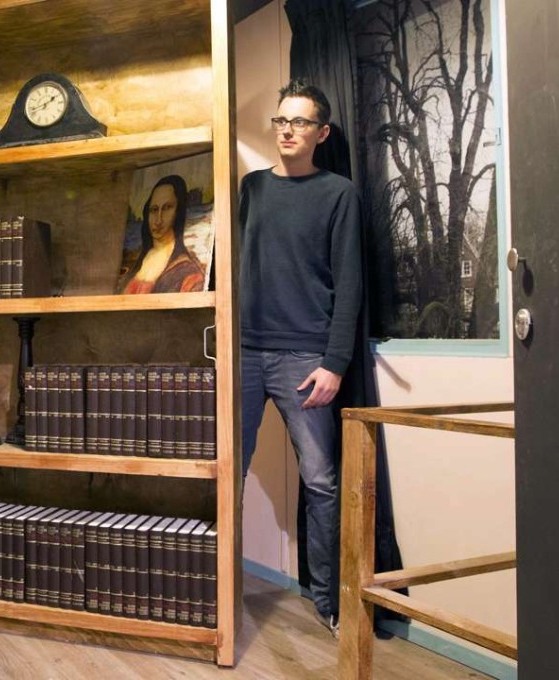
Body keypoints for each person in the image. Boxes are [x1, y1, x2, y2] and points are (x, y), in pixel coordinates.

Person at [239, 80, 362, 639]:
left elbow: (350, 285)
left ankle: (328, 603)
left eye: (300, 123)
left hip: (304, 358)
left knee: (320, 481)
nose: (287, 130)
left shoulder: (340, 194)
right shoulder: (251, 189)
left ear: (321, 133)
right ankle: (213, 586)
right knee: (224, 475)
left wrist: (334, 362)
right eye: (280, 120)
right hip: (241, 353)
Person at [116, 175, 205, 294]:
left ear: (178, 211)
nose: (158, 220)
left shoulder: (188, 273)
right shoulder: (133, 262)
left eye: (167, 208)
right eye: (154, 209)